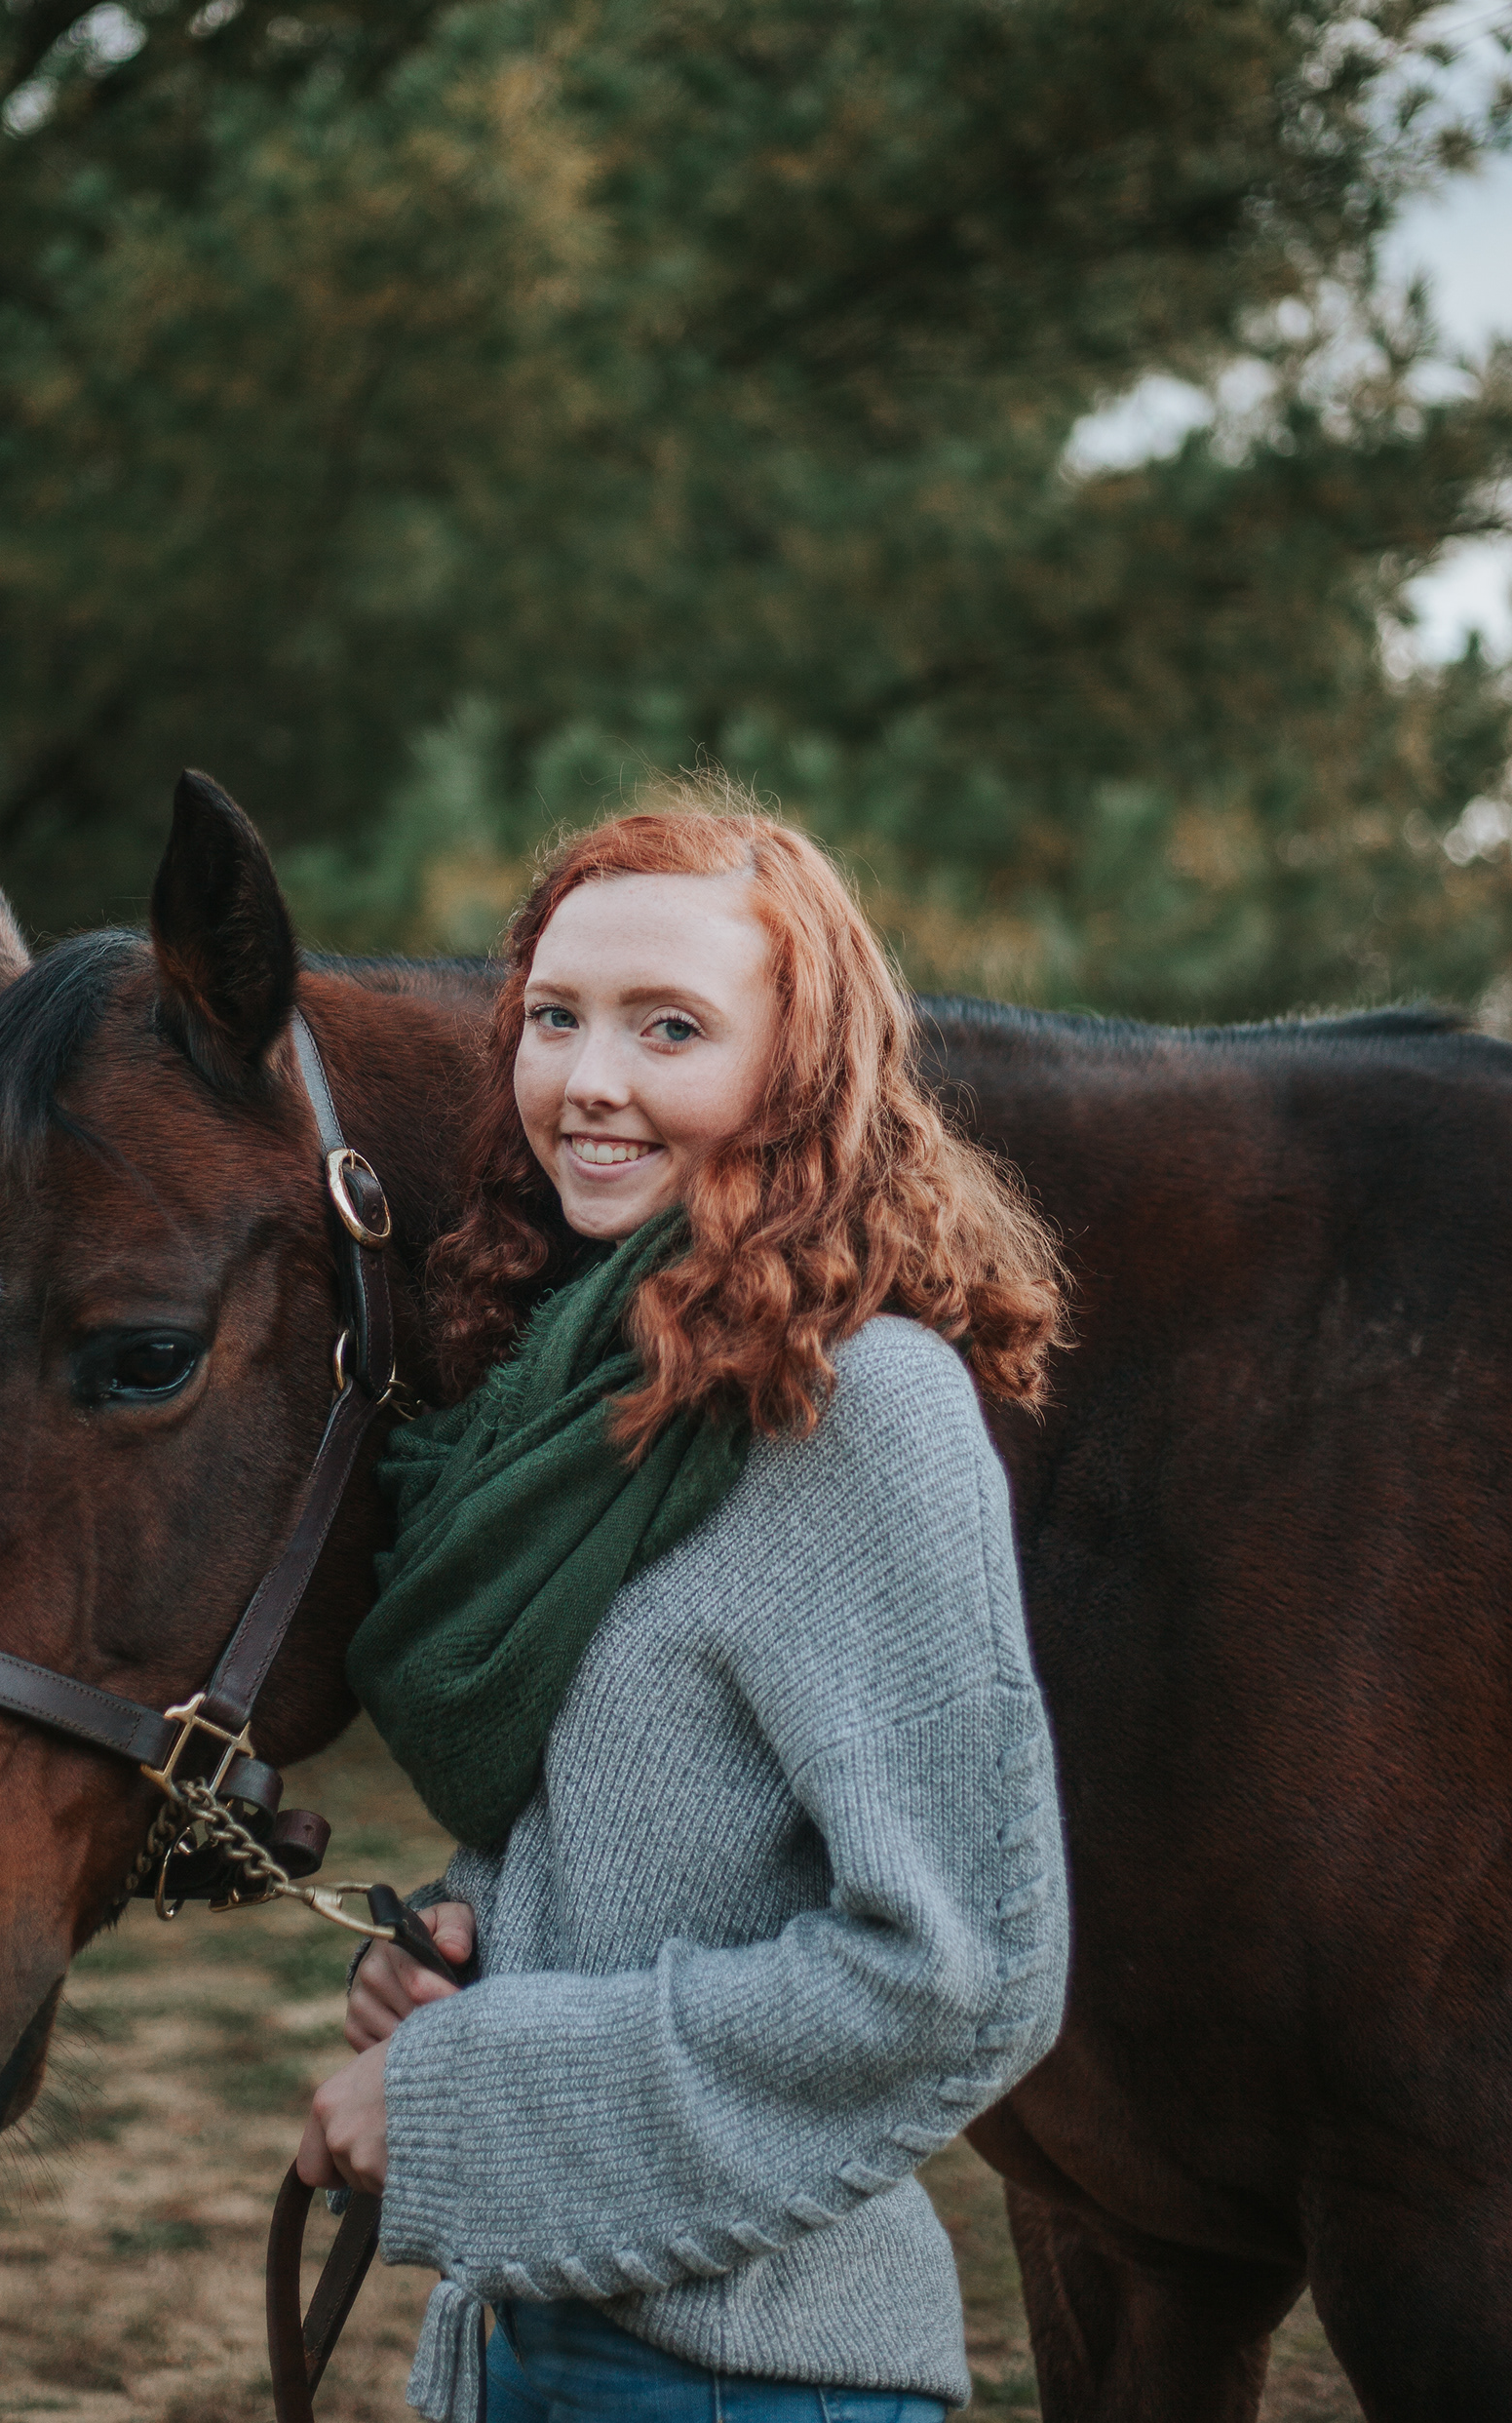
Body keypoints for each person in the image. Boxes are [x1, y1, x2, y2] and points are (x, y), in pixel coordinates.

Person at [296, 780, 1071, 2423]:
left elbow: (956, 1971)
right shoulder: (581, 1392)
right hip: (521, 2338)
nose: (590, 1078)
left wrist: (466, 2097)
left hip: (754, 2378)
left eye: (670, 1027)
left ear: (798, 1072)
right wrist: (469, 1956)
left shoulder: (861, 1406)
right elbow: (671, 1837)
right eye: (555, 1017)